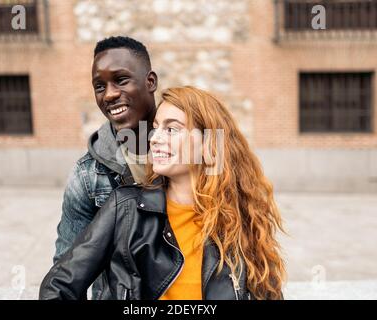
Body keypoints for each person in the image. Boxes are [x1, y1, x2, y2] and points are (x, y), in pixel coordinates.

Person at [40, 86, 286, 300]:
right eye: (156, 129)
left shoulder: (241, 217)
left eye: (172, 129)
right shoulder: (125, 207)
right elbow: (58, 286)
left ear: (209, 143)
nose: (155, 139)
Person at [53, 36, 158, 300]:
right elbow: (65, 271)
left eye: (121, 80)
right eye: (99, 86)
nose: (109, 95)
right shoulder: (87, 174)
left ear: (150, 81)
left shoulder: (190, 152)